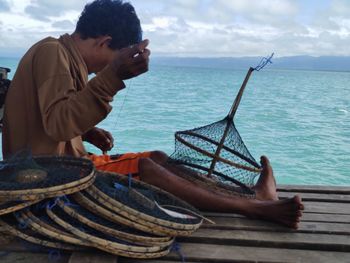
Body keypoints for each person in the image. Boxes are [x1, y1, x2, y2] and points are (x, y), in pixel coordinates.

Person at [2, 0, 303, 228]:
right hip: (46, 181)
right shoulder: (53, 52)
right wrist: (112, 78)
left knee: (156, 158)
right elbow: (57, 123)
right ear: (105, 42)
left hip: (64, 168)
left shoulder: (61, 55)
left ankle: (252, 195)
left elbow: (49, 115)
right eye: (112, 58)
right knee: (145, 168)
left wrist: (87, 132)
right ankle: (251, 208)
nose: (107, 68)